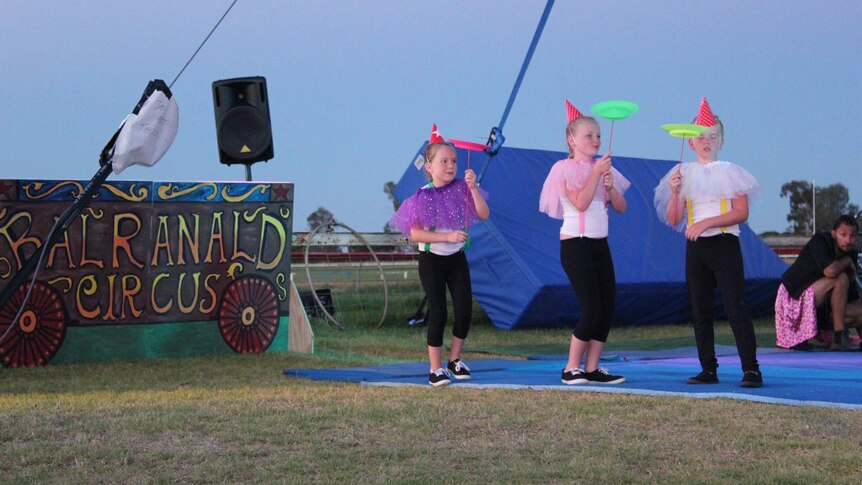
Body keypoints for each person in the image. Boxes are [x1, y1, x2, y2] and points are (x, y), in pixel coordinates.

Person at [654, 97, 763, 388]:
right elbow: (673, 216)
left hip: (724, 244)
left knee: (735, 306)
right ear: (690, 142)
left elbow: (741, 212)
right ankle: (708, 368)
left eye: (712, 136)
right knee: (700, 310)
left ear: (721, 141)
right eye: (700, 137)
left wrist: (706, 223)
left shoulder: (730, 170)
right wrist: (676, 192)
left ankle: (751, 369)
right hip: (696, 249)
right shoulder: (684, 173)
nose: (706, 141)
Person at [389, 124, 490, 387]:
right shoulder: (422, 197)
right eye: (443, 161)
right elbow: (416, 234)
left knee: (465, 310)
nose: (450, 165)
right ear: (429, 167)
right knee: (439, 311)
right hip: (432, 260)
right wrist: (447, 237)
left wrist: (475, 189)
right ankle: (435, 368)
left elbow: (483, 214)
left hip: (456, 259)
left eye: (454, 161)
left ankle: (454, 360)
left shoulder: (462, 188)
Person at [539, 100, 630, 385]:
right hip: (576, 244)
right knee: (591, 307)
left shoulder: (602, 169)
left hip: (599, 245)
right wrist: (595, 175)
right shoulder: (563, 169)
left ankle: (592, 367)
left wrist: (609, 185)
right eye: (588, 135)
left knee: (607, 306)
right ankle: (571, 367)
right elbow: (579, 203)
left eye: (598, 135)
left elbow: (621, 207)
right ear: (572, 140)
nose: (595, 140)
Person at [775, 215, 862, 350]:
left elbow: (851, 292)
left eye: (852, 236)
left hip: (824, 307)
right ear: (834, 234)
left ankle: (844, 337)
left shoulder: (851, 253)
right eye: (843, 235)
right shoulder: (820, 241)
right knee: (840, 278)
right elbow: (830, 272)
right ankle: (839, 338)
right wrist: (847, 262)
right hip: (794, 300)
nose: (848, 240)